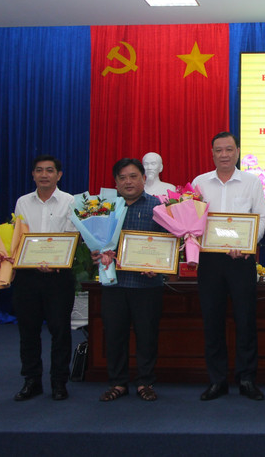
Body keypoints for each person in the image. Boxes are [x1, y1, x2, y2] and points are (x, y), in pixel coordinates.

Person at [192, 132, 265, 401]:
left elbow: (261, 218)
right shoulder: (200, 182)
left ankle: (246, 379)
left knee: (245, 320)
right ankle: (217, 380)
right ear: (212, 153)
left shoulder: (251, 182)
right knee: (212, 321)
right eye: (218, 150)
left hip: (241, 261)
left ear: (237, 151)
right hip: (209, 261)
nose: (224, 154)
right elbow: (191, 219)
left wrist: (248, 244)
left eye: (229, 149)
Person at [98, 158, 166, 402]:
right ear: (115, 183)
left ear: (143, 179)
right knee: (114, 335)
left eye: (133, 176)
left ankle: (145, 382)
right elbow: (95, 241)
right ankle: (118, 383)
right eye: (122, 178)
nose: (128, 181)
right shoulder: (104, 209)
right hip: (114, 284)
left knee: (147, 336)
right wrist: (97, 252)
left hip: (147, 285)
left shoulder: (158, 207)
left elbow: (169, 243)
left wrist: (157, 266)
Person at [12, 155, 76, 401]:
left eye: (50, 171)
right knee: (28, 330)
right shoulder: (23, 202)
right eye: (39, 170)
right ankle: (31, 381)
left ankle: (59, 382)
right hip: (27, 276)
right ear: (33, 175)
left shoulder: (70, 201)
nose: (44, 175)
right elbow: (19, 236)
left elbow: (72, 236)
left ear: (59, 175)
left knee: (60, 330)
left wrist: (56, 261)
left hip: (58, 276)